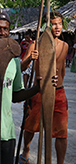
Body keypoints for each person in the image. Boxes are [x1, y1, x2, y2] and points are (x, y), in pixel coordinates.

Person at [0, 10, 43, 164]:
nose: (1, 32)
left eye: (5, 29)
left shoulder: (13, 61)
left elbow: (16, 95)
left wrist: (36, 88)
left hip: (6, 133)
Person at [20, 11, 68, 164]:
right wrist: (30, 58)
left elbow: (62, 71)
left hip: (58, 92)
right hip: (39, 91)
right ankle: (26, 150)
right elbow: (21, 67)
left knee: (62, 132)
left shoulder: (65, 46)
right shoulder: (35, 44)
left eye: (59, 23)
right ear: (47, 26)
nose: (57, 27)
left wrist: (57, 81)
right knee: (30, 126)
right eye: (54, 23)